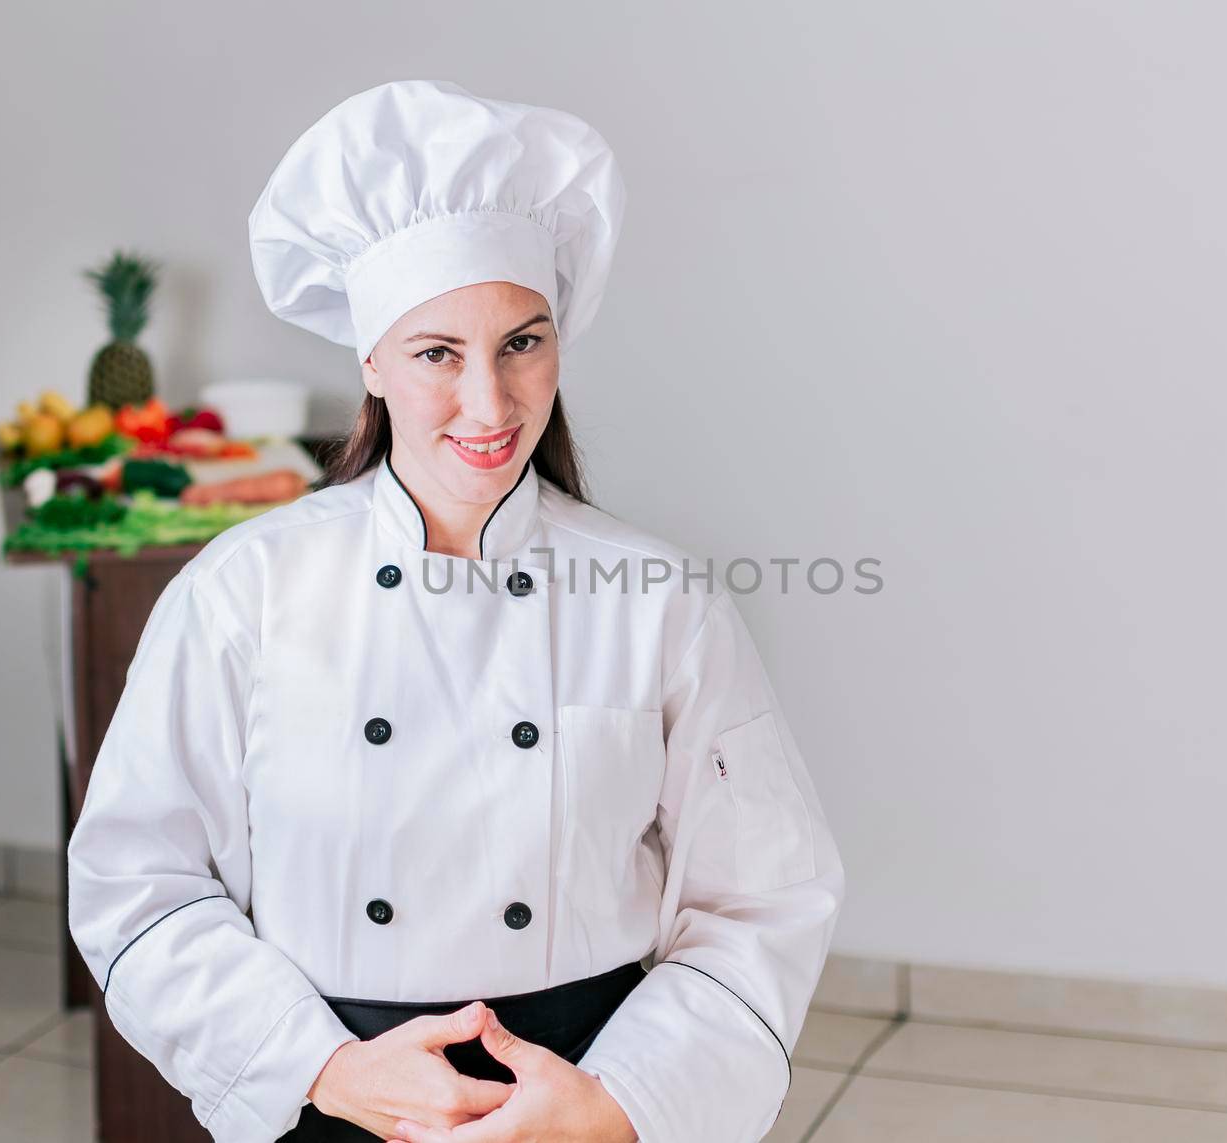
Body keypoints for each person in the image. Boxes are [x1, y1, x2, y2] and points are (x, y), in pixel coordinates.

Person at [67, 78, 845, 1143]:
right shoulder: (243, 591)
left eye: (522, 343)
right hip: (331, 1100)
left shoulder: (659, 600)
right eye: (439, 353)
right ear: (372, 360)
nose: (489, 404)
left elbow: (761, 900)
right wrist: (327, 1067)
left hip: (586, 1093)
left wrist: (618, 1103)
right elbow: (136, 885)